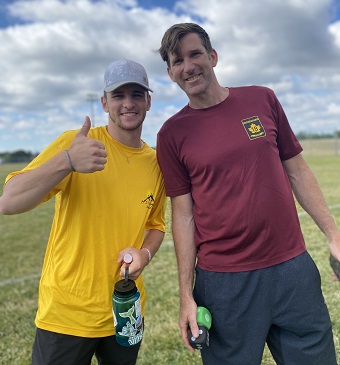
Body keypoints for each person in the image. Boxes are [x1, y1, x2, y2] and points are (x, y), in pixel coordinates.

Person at [157, 22, 340, 365]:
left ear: (212, 56)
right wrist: (186, 295)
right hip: (224, 284)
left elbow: (298, 170)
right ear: (170, 73)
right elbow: (183, 215)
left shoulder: (262, 98)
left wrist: (334, 234)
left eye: (195, 54)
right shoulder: (171, 134)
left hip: (292, 269)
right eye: (177, 61)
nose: (188, 66)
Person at [0, 59, 166, 365]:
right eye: (118, 95)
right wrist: (67, 161)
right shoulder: (75, 144)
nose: (128, 104)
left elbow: (156, 225)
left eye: (136, 94)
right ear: (104, 102)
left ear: (148, 101)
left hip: (125, 310)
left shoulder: (155, 163)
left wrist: (145, 254)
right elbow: (9, 202)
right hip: (66, 312)